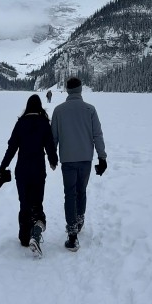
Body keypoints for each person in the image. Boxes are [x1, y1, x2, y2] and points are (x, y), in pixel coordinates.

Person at [0, 94, 58, 256]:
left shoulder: (20, 123)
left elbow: (11, 148)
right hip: (38, 169)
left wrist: (2, 168)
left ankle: (24, 237)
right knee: (36, 202)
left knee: (24, 202)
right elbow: (50, 145)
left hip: (22, 170)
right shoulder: (44, 123)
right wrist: (53, 160)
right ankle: (35, 234)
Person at [51, 76, 107, 252]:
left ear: (67, 90)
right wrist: (102, 157)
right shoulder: (90, 109)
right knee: (81, 191)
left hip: (67, 159)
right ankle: (80, 218)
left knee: (70, 194)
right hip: (85, 159)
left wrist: (52, 157)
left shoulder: (59, 111)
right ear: (81, 89)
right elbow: (97, 135)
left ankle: (72, 234)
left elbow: (54, 138)